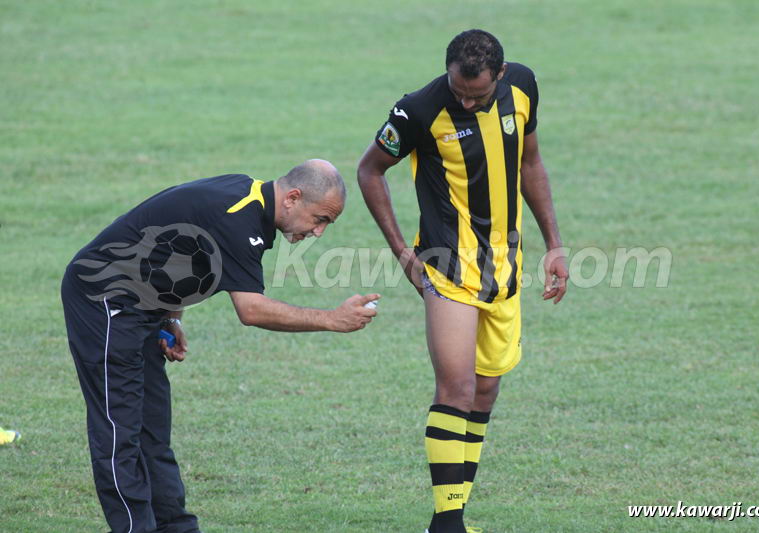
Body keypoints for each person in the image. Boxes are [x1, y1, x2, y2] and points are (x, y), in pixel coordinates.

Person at [62, 159, 379, 533]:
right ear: (293, 197)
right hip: (105, 301)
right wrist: (330, 319)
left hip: (143, 309)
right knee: (120, 431)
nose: (319, 232)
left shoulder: (251, 202)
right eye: (319, 218)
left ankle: (177, 527)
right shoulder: (240, 217)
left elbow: (175, 243)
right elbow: (252, 310)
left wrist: (171, 316)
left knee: (152, 430)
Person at [357, 30, 568, 532]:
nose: (467, 101)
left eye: (478, 94)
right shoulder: (418, 110)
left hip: (505, 266)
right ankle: (447, 522)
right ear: (447, 71)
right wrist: (404, 254)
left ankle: (454, 514)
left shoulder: (523, 87)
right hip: (447, 264)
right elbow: (369, 171)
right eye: (459, 91)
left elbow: (531, 163)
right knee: (456, 385)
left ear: (499, 75)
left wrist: (555, 243)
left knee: (486, 391)